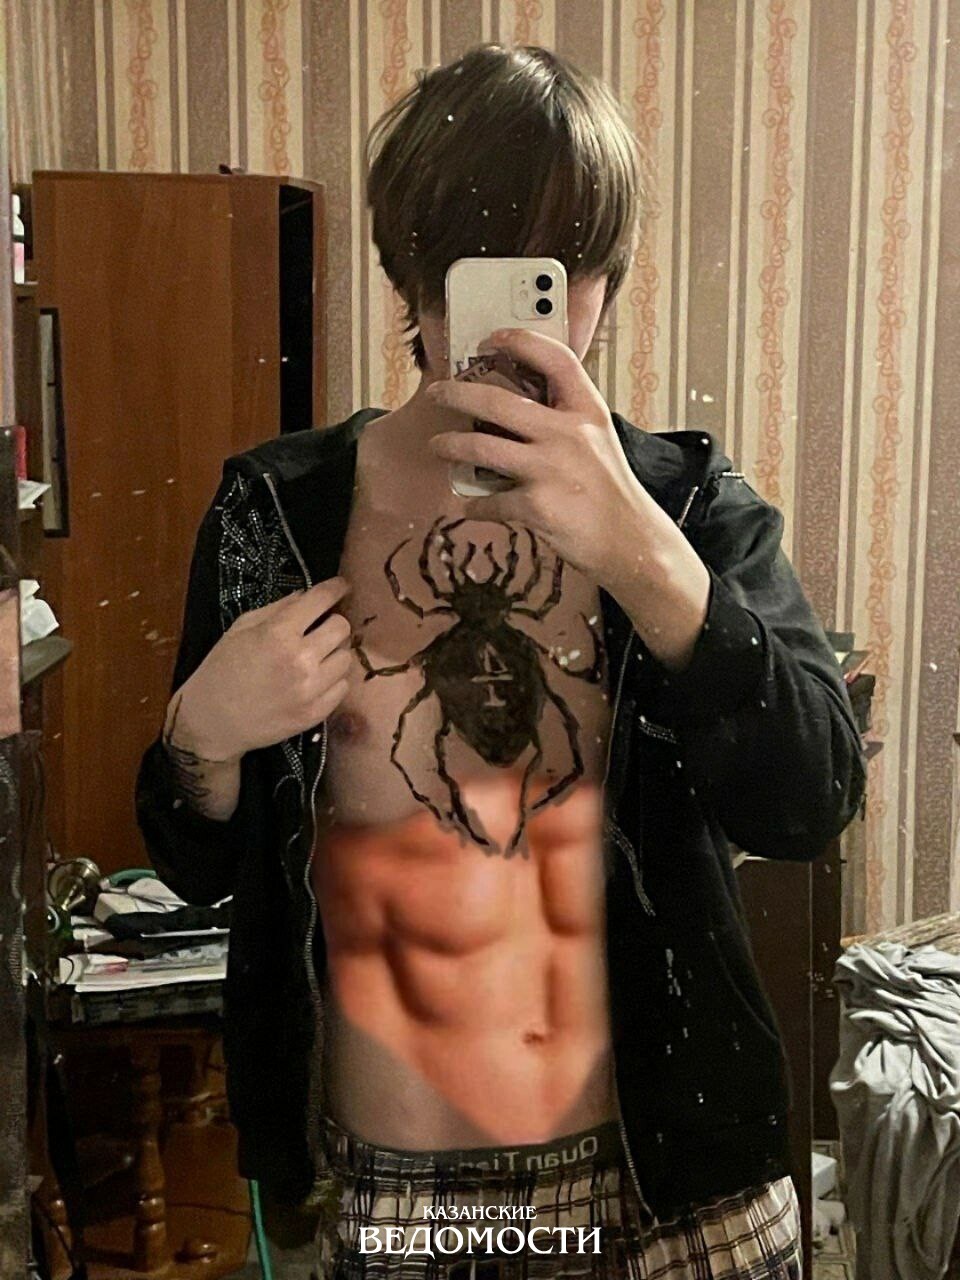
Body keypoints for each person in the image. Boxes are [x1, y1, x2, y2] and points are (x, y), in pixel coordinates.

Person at [137, 43, 866, 1279]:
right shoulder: (278, 513)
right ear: (410, 275)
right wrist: (200, 737)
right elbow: (195, 867)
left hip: (672, 1184)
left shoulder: (689, 510)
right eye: (473, 260)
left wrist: (644, 556)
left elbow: (810, 801)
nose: (520, 308)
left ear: (605, 282)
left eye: (559, 264)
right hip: (399, 1196)